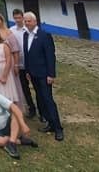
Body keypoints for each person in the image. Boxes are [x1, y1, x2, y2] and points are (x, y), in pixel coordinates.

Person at [22, 12, 64, 141]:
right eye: (25, 21)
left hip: (44, 74)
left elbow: (50, 56)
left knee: (48, 99)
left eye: (29, 21)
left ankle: (58, 128)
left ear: (35, 22)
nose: (26, 23)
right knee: (40, 99)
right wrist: (28, 71)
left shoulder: (44, 35)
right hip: (33, 74)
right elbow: (27, 54)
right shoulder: (25, 35)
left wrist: (51, 74)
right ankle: (49, 123)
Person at [10, 9, 38, 119]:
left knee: (36, 87)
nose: (17, 20)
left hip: (30, 63)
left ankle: (41, 109)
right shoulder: (11, 30)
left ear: (23, 17)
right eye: (15, 18)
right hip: (19, 64)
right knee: (24, 89)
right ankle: (31, 108)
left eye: (19, 17)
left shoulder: (29, 30)